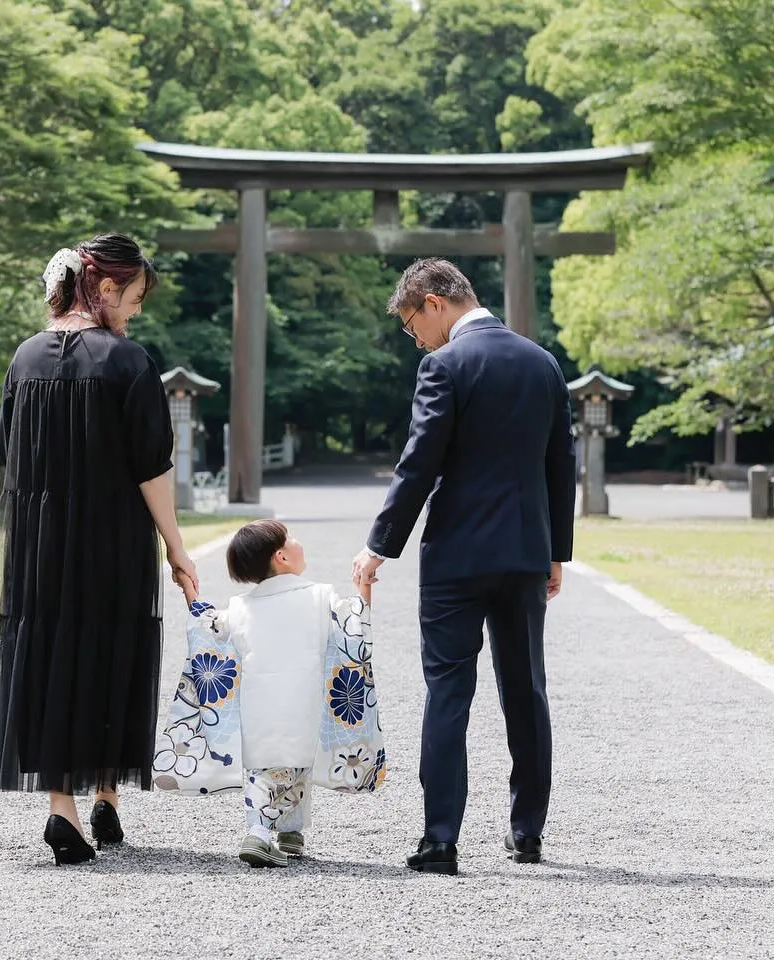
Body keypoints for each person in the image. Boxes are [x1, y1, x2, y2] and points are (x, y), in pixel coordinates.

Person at [0, 234, 199, 866]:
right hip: (112, 536)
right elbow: (154, 466)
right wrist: (175, 548)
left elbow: (5, 453)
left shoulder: (25, 357)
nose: (136, 310)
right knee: (111, 652)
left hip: (38, 541)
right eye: (133, 297)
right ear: (103, 289)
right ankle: (108, 793)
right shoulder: (127, 361)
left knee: (48, 657)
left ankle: (62, 809)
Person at [352, 258, 576, 876]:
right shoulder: (543, 362)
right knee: (526, 688)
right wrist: (557, 551)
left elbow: (419, 462)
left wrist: (379, 545)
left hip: (456, 556)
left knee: (450, 688)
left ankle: (441, 839)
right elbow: (561, 465)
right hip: (527, 552)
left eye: (411, 325)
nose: (415, 339)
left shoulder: (444, 365)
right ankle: (527, 832)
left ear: (434, 302)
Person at [155, 520, 385, 867]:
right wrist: (363, 586)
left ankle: (286, 831)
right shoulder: (319, 597)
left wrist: (189, 588)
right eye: (291, 537)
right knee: (296, 767)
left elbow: (209, 628)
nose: (298, 540)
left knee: (265, 773)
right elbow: (354, 627)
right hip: (305, 707)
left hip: (257, 711)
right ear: (282, 557)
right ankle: (260, 834)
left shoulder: (242, 607)